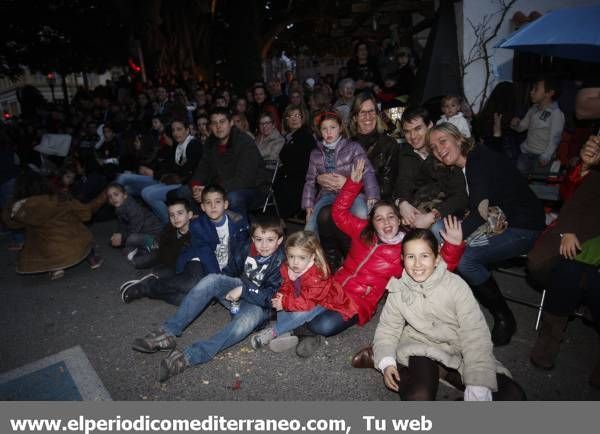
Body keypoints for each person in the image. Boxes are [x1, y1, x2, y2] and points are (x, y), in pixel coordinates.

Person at [297, 160, 465, 359]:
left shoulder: (406, 248)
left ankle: (301, 330)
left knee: (323, 324)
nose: (386, 222)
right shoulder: (362, 232)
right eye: (379, 218)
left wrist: (453, 247)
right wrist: (352, 184)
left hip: (358, 301)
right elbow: (338, 214)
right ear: (372, 223)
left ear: (399, 220)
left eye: (391, 217)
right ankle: (303, 331)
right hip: (335, 284)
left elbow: (436, 274)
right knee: (299, 288)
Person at [373, 228, 525, 401]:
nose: (417, 264)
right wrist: (386, 361)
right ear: (402, 260)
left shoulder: (456, 286)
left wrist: (478, 381)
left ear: (436, 259)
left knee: (514, 396)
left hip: (458, 347)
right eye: (410, 257)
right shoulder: (398, 290)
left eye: (424, 256)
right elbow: (387, 329)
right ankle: (384, 361)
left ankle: (444, 372)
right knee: (419, 396)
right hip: (420, 344)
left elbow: (475, 333)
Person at [428, 122, 545, 346]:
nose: (438, 149)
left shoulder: (477, 160)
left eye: (442, 141)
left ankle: (504, 318)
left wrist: (452, 242)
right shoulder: (467, 162)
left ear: (459, 138)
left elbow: (480, 213)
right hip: (499, 220)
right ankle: (452, 305)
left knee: (466, 260)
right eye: (433, 147)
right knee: (439, 231)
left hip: (523, 227)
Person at [131, 216, 286, 383]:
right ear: (252, 238)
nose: (263, 245)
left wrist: (243, 290)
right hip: (237, 290)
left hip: (258, 306)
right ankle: (167, 333)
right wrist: (219, 288)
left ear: (279, 240)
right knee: (212, 279)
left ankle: (189, 356)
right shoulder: (246, 247)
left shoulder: (283, 262)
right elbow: (229, 272)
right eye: (258, 239)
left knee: (243, 324)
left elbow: (271, 298)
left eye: (270, 240)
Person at [527, 166, 600, 388]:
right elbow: (573, 206)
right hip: (582, 241)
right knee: (567, 273)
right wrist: (567, 231)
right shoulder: (596, 177)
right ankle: (548, 343)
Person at [249, 231, 357, 354]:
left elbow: (307, 302)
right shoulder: (288, 268)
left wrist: (284, 302)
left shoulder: (317, 275)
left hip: (327, 304)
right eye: (291, 256)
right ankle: (288, 333)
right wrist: (282, 297)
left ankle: (274, 332)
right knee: (283, 306)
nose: (295, 262)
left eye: (301, 257)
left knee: (299, 313)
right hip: (302, 300)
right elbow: (286, 286)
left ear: (312, 257)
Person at [2, 170, 105, 280]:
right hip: (73, 247)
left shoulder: (19, 208)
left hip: (47, 252)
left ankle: (55, 267)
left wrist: (11, 208)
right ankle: (92, 258)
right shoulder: (60, 198)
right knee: (81, 231)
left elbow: (12, 224)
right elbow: (86, 215)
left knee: (34, 235)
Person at [303, 110, 379, 234]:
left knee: (362, 214)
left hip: (352, 192)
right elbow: (310, 180)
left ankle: (367, 247)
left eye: (333, 127)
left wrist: (372, 196)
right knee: (310, 226)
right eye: (324, 129)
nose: (328, 132)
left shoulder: (353, 148)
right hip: (327, 194)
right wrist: (308, 205)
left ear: (340, 128)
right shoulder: (315, 153)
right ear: (319, 132)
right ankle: (309, 251)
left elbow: (368, 172)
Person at [393, 107, 468, 231]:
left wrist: (433, 215)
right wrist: (402, 203)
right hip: (421, 208)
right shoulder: (406, 154)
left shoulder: (445, 150)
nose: (413, 136)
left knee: (436, 229)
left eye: (418, 128)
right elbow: (403, 181)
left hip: (450, 211)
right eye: (407, 131)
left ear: (429, 125)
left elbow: (461, 194)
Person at [116, 118, 203, 224]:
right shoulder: (178, 146)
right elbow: (169, 166)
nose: (175, 133)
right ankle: (129, 216)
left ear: (187, 130)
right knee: (126, 184)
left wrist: (156, 173)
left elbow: (186, 171)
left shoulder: (193, 144)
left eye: (179, 129)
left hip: (183, 182)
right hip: (168, 179)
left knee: (146, 193)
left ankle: (170, 224)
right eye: (173, 130)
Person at [189, 108, 269, 218]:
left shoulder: (244, 142)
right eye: (214, 123)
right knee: (184, 192)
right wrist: (196, 187)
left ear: (231, 123)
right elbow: (202, 168)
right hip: (222, 187)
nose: (218, 126)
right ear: (210, 126)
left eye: (222, 122)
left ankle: (240, 232)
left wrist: (210, 190)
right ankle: (204, 230)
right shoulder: (211, 142)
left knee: (233, 197)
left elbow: (244, 180)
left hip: (253, 189)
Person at [119, 198, 199, 305]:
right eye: (172, 215)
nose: (176, 218)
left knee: (185, 300)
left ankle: (147, 286)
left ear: (189, 215)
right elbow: (164, 255)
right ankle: (148, 284)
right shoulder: (169, 229)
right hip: (171, 266)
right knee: (140, 260)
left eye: (180, 213)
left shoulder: (198, 230)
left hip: (186, 269)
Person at [511, 77, 565, 174]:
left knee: (538, 186)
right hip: (526, 153)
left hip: (541, 158)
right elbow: (522, 127)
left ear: (550, 93)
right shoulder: (533, 109)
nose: (531, 92)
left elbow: (555, 138)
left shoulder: (556, 113)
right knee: (519, 183)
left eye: (536, 89)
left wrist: (547, 155)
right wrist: (516, 124)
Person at [273, 104, 316, 218]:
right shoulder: (290, 137)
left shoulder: (305, 136)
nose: (294, 119)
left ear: (303, 117)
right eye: (290, 116)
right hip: (290, 179)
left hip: (301, 181)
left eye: (297, 115)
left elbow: (300, 163)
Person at [106, 182, 164, 268]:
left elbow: (134, 229)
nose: (113, 198)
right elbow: (122, 224)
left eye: (116, 194)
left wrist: (122, 237)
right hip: (142, 234)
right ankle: (143, 250)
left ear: (125, 195)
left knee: (132, 239)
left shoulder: (133, 208)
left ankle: (153, 246)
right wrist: (118, 234)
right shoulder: (120, 208)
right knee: (117, 243)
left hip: (155, 235)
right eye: (110, 197)